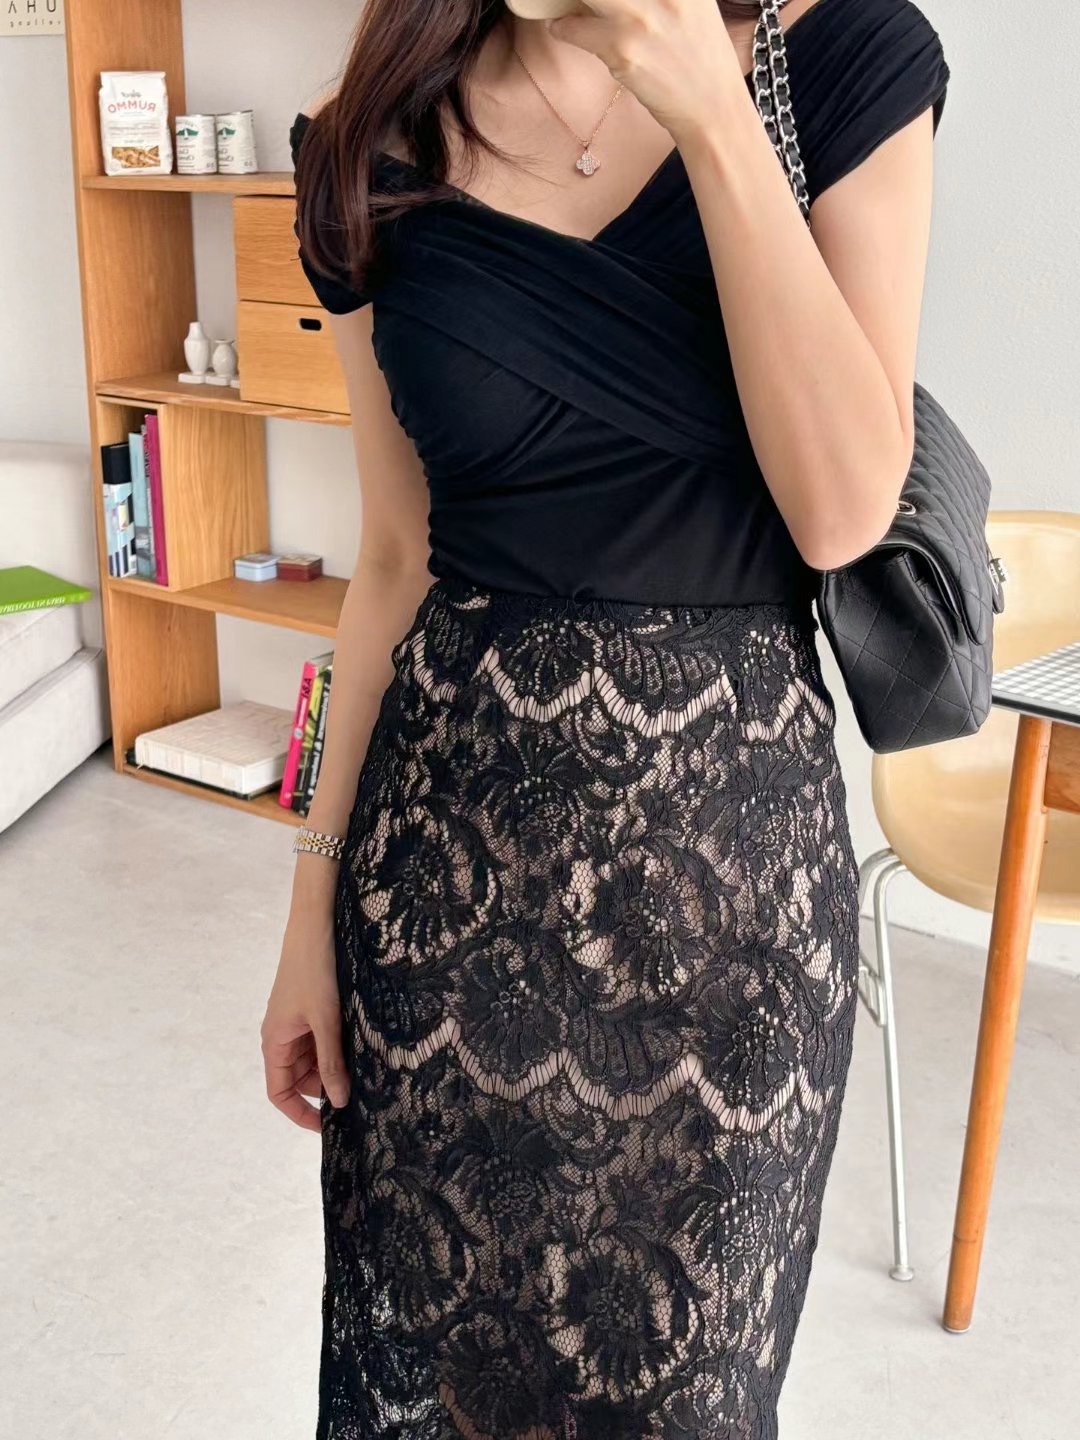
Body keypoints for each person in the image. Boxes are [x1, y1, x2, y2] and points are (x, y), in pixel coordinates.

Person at [262, 0, 950, 1433]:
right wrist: (307, 915)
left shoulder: (845, 61)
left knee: (688, 1398)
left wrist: (705, 102)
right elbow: (389, 558)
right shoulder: (367, 146)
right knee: (436, 1388)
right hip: (440, 905)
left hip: (731, 923)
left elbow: (840, 508)